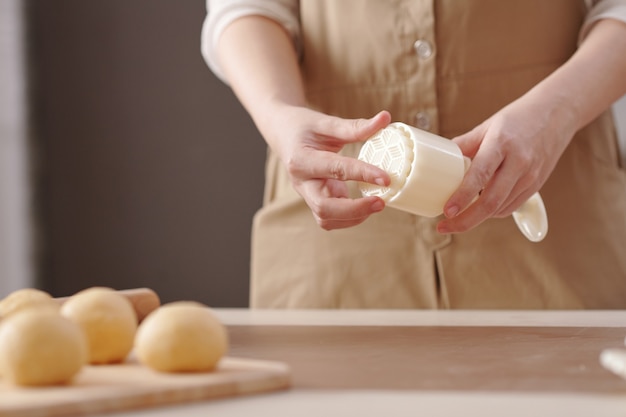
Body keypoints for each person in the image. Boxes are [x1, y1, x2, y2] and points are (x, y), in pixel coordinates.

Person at [202, 0, 626, 309]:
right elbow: (244, 8)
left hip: (556, 222)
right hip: (336, 231)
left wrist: (557, 112)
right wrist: (279, 115)